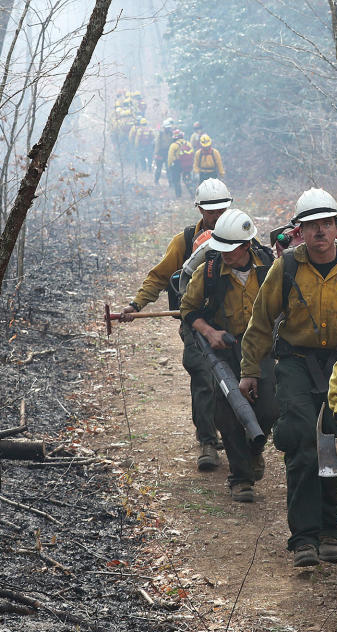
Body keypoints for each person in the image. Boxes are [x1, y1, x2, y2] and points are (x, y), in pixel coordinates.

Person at [239, 187, 337, 567]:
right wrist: (250, 371)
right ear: (299, 231)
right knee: (302, 441)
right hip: (296, 363)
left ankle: (327, 531)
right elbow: (260, 321)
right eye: (312, 225)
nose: (320, 231)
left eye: (327, 223)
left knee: (333, 443)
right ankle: (303, 537)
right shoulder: (285, 268)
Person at [120, 179, 233, 472]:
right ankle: (208, 441)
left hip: (235, 322)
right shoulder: (183, 242)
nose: (217, 217)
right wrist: (136, 305)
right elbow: (159, 277)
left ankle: (238, 440)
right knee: (202, 375)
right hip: (194, 321)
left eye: (222, 210)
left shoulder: (240, 235)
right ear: (199, 210)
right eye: (211, 212)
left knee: (236, 379)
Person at [180, 209, 275, 502]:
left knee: (270, 407)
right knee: (227, 413)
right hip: (226, 349)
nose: (223, 255)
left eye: (230, 249)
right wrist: (209, 333)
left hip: (263, 350)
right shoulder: (208, 272)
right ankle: (241, 478)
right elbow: (188, 310)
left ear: (246, 246)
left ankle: (255, 449)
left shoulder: (272, 267)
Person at [167, 129, 194, 198]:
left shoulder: (173, 145)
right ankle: (192, 193)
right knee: (187, 179)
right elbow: (192, 153)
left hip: (176, 164)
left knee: (176, 180)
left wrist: (169, 165)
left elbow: (170, 157)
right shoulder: (188, 143)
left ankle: (178, 195)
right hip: (186, 164)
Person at [153, 118, 174, 185]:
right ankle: (156, 180)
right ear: (164, 128)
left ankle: (171, 182)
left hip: (168, 153)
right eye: (166, 128)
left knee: (169, 168)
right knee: (159, 168)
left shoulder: (171, 133)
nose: (168, 129)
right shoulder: (161, 134)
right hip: (160, 153)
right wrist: (156, 153)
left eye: (169, 128)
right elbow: (157, 144)